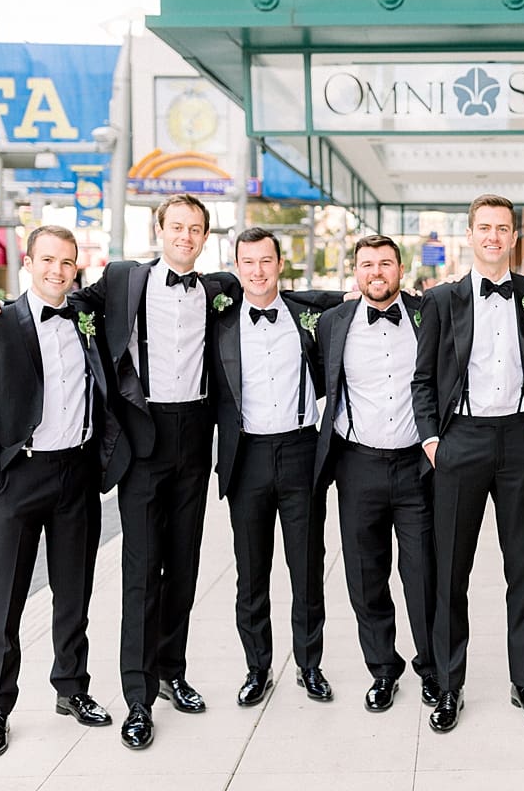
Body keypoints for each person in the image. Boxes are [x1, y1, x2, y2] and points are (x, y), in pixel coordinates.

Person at [0, 194, 239, 749]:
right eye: (176, 226)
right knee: (109, 579)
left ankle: (154, 676)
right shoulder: (119, 282)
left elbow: (274, 296)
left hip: (163, 445)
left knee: (159, 572)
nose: (185, 235)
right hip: (117, 448)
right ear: (159, 230)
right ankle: (117, 700)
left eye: (195, 228)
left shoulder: (218, 290)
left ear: (205, 237)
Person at [0, 225, 125, 758]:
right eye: (47, 260)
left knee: (74, 595)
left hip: (76, 475)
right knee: (3, 601)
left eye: (67, 262)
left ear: (77, 267)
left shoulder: (88, 320)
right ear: (28, 262)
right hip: (18, 480)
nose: (57, 270)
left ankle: (71, 689)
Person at [411, 193, 524, 732]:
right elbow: (423, 379)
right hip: (461, 442)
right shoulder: (442, 299)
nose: (494, 237)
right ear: (470, 236)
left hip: (522, 440)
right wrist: (433, 442)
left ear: (514, 237)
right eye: (484, 228)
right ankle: (449, 687)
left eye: (503, 228)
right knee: (451, 571)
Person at [210, 227, 343, 708]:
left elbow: (352, 298)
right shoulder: (219, 321)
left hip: (301, 452)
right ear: (236, 267)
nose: (258, 271)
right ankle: (257, 667)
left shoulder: (306, 314)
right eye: (248, 262)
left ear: (279, 264)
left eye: (266, 261)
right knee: (252, 572)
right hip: (245, 457)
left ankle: (310, 665)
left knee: (306, 568)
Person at [312, 233, 438, 713]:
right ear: (355, 272)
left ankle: (432, 667)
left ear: (400, 271)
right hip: (358, 464)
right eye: (367, 265)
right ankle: (383, 669)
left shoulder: (429, 316)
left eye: (386, 264)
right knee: (366, 576)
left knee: (422, 573)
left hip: (416, 466)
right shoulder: (332, 323)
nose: (377, 273)